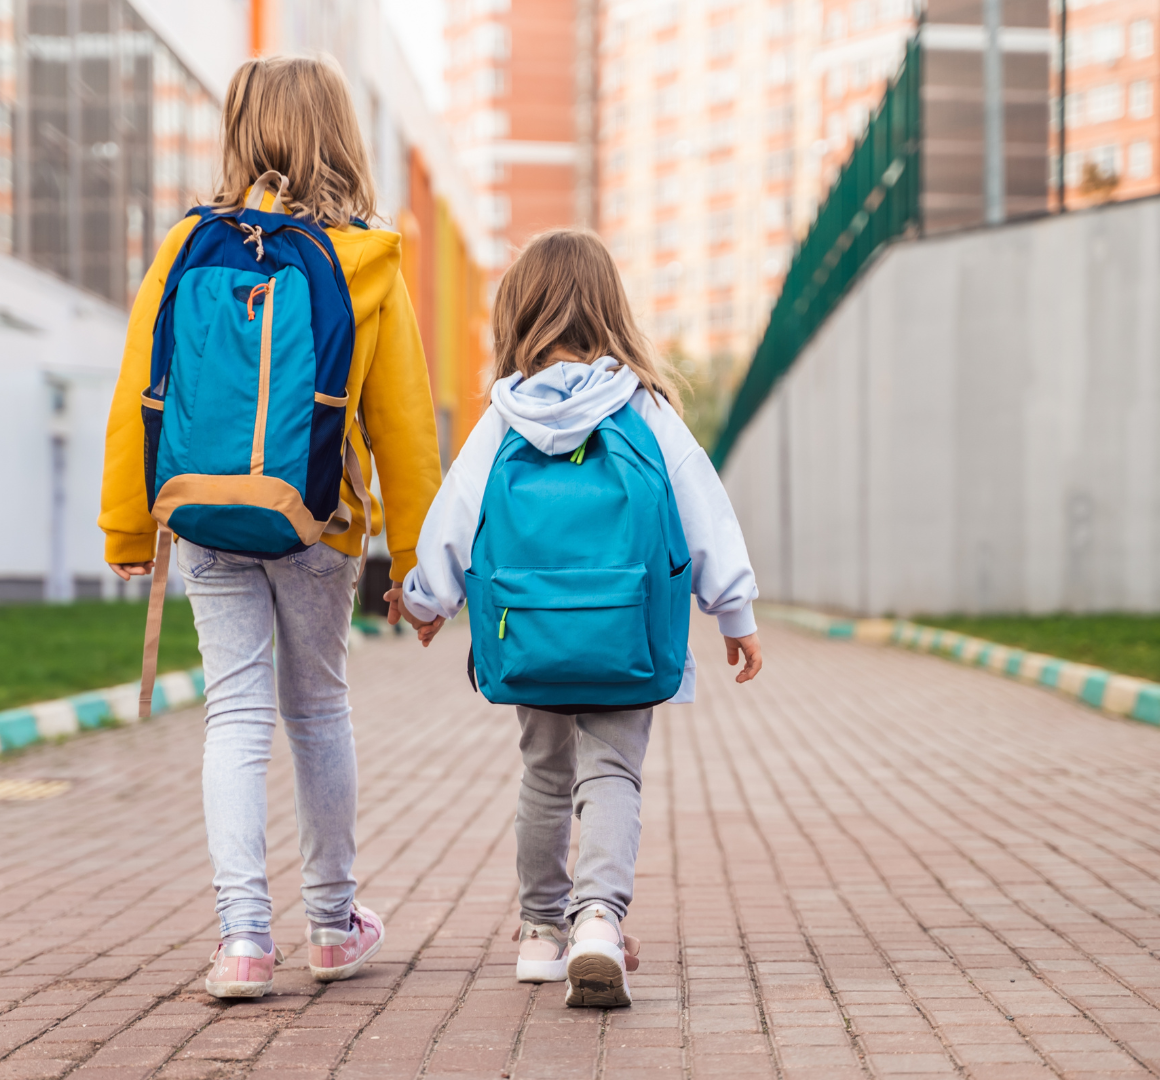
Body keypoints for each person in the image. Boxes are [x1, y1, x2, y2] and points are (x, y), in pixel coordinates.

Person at [99, 55, 441, 1001]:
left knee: (235, 715)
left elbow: (139, 394)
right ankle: (332, 925)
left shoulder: (186, 245)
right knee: (319, 709)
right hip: (317, 525)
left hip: (205, 518)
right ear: (340, 132)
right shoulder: (367, 258)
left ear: (241, 131)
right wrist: (419, 568)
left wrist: (130, 526)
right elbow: (404, 430)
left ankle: (244, 941)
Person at [390, 229, 762, 1008]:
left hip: (531, 635)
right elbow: (703, 510)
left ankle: (538, 934)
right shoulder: (644, 409)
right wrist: (734, 609)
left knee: (545, 775)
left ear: (519, 314)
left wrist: (428, 598)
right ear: (610, 311)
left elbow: (456, 514)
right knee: (611, 772)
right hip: (626, 634)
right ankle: (598, 920)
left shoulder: (504, 416)